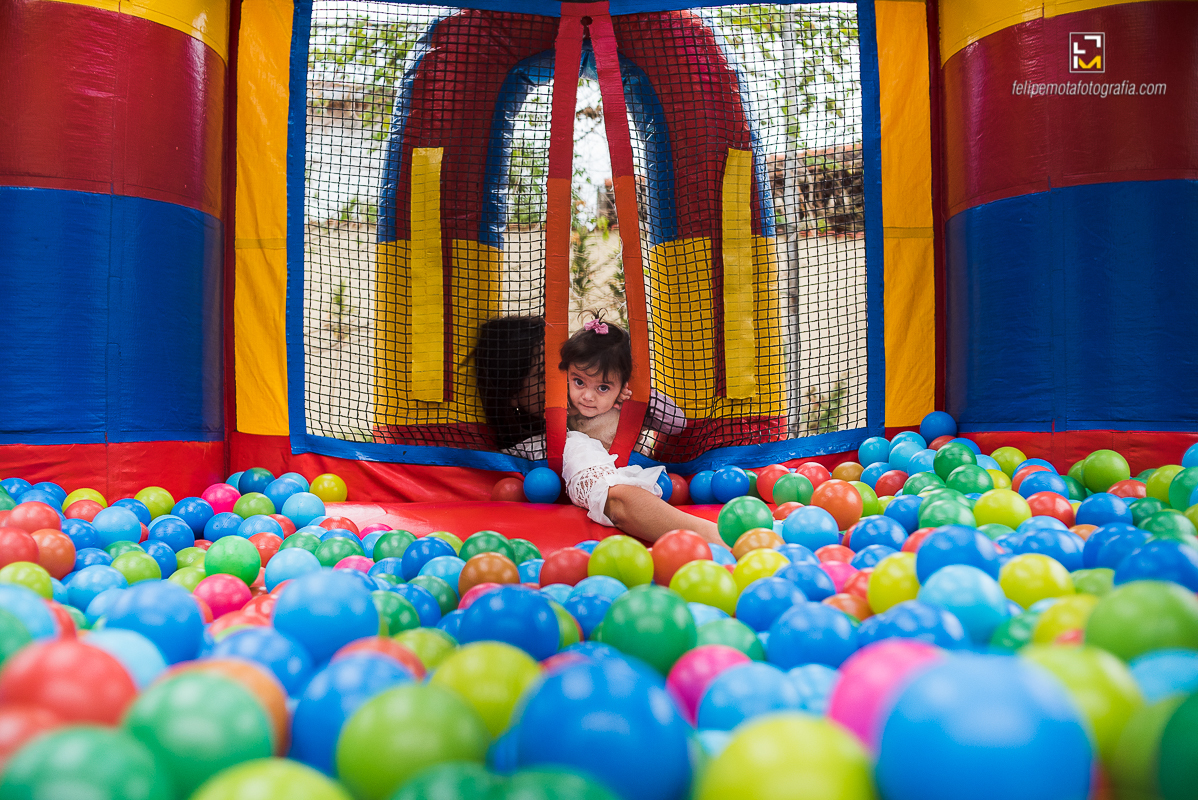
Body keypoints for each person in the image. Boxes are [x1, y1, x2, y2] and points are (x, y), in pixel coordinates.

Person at [559, 316, 723, 545]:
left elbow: (677, 423)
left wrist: (641, 395)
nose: (587, 396)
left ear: (622, 385)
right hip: (596, 476)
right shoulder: (562, 406)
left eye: (603, 387)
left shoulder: (627, 407)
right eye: (579, 382)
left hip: (630, 474)